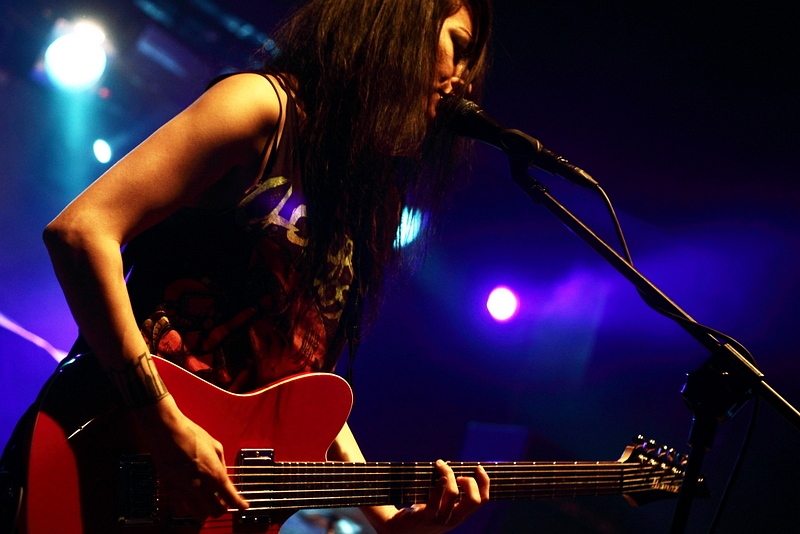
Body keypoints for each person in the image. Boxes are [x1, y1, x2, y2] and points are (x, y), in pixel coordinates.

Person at [1, 0, 492, 532]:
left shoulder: (368, 199)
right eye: (459, 47)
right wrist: (161, 419)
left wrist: (386, 520)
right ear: (401, 26)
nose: (462, 79)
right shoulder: (263, 107)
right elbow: (81, 232)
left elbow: (302, 375)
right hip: (105, 450)